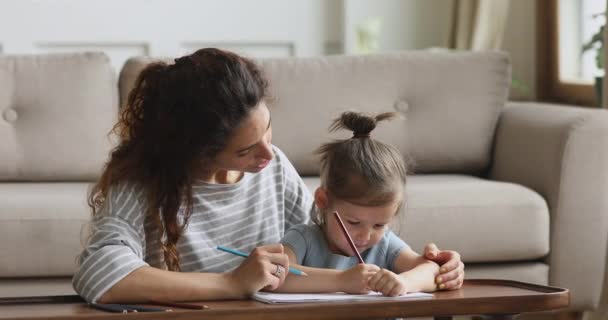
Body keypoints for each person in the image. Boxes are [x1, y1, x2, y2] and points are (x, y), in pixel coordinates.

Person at [72, 48, 464, 303]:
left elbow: (323, 243)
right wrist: (231, 282)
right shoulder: (144, 180)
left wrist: (429, 266)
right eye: (245, 150)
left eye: (268, 131)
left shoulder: (272, 164)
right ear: (196, 150)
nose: (267, 155)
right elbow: (100, 273)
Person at [277, 112, 462, 296]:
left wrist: (404, 282)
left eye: (379, 225)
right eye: (353, 222)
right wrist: (341, 280)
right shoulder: (303, 239)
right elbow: (276, 274)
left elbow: (432, 270)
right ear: (323, 201)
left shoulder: (385, 244)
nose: (365, 236)